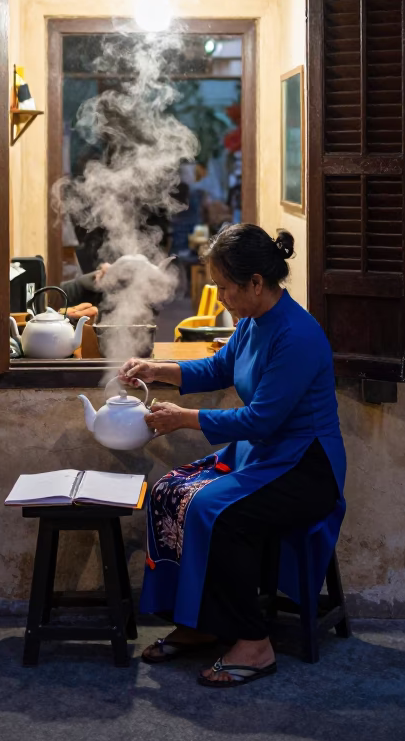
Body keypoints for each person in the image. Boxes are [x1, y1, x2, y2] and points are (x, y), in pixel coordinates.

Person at [118, 223, 346, 689]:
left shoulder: (297, 336)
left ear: (256, 283)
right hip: (263, 456)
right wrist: (157, 369)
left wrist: (184, 419)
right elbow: (220, 367)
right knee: (169, 492)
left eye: (224, 287)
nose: (220, 297)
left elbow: (261, 420)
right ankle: (199, 621)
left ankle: (254, 643)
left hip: (306, 467)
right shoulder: (252, 322)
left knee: (214, 511)